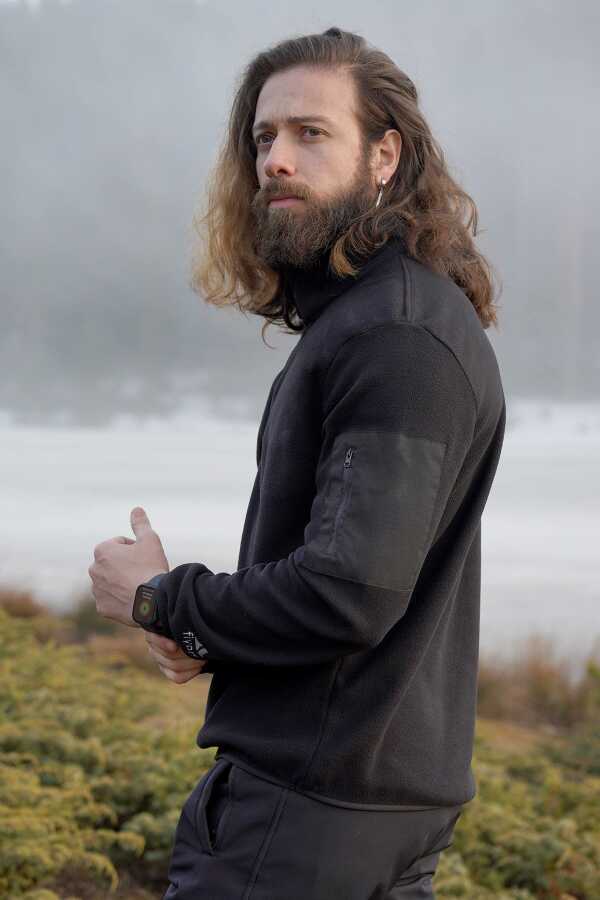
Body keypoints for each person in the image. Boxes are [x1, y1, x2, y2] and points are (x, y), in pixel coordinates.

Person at [90, 26, 506, 899]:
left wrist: (163, 599)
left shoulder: (395, 335)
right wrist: (207, 637)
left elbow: (346, 594)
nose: (276, 159)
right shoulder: (381, 320)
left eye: (311, 133)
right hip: (361, 810)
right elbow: (363, 587)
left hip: (306, 823)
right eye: (264, 137)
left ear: (384, 155)